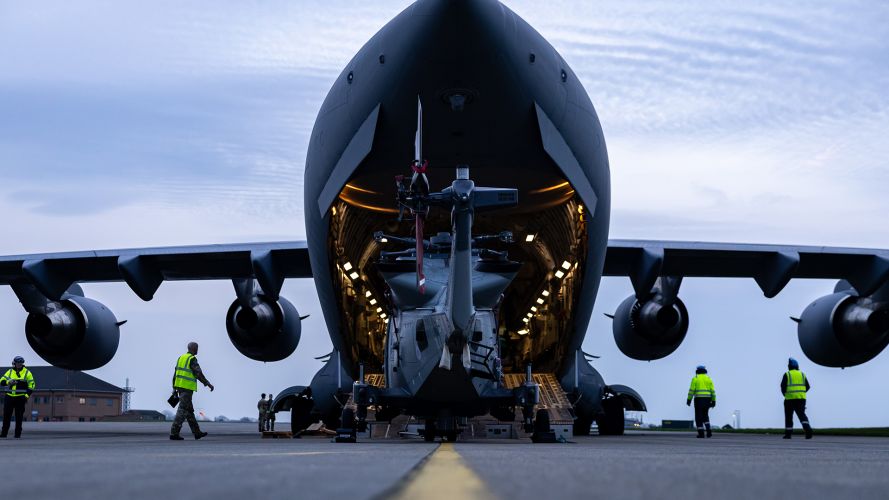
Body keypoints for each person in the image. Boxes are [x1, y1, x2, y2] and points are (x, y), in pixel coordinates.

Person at [170, 342, 214, 440]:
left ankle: (197, 432)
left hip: (180, 387)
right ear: (193, 348)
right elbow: (198, 373)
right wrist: (207, 383)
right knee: (182, 410)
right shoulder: (192, 359)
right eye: (197, 348)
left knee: (189, 411)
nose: (198, 349)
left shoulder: (181, 358)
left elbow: (175, 374)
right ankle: (174, 433)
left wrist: (174, 388)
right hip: (186, 388)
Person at [1, 356, 35, 438]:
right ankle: (3, 434)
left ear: (22, 364)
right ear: (14, 363)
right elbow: (1, 381)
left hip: (20, 398)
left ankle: (17, 434)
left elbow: (32, 386)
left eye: (20, 363)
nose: (19, 365)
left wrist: (26, 396)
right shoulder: (9, 372)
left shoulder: (27, 373)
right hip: (9, 397)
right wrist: (9, 382)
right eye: (17, 363)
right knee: (6, 416)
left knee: (19, 417)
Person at [781, 357, 813, 439]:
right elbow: (808, 386)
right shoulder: (802, 374)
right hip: (801, 399)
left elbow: (783, 387)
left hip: (789, 399)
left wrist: (785, 394)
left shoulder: (787, 374)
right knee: (802, 415)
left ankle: (788, 434)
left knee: (789, 417)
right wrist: (801, 393)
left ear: (790, 366)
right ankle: (808, 430)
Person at [686, 365, 716, 438]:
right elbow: (713, 391)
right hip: (707, 400)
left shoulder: (695, 378)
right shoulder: (709, 379)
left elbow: (691, 390)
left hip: (698, 400)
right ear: (705, 371)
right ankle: (709, 431)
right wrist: (714, 401)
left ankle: (701, 434)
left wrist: (689, 399)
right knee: (705, 415)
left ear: (697, 371)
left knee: (698, 417)